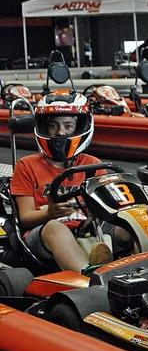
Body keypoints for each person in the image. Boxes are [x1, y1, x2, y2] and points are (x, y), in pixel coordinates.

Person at [10, 90, 128, 274]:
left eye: (68, 125)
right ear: (43, 128)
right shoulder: (26, 166)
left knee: (130, 222)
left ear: (80, 127)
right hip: (43, 235)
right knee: (56, 229)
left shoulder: (93, 164)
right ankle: (91, 278)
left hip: (89, 228)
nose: (60, 132)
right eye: (53, 125)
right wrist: (50, 213)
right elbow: (25, 218)